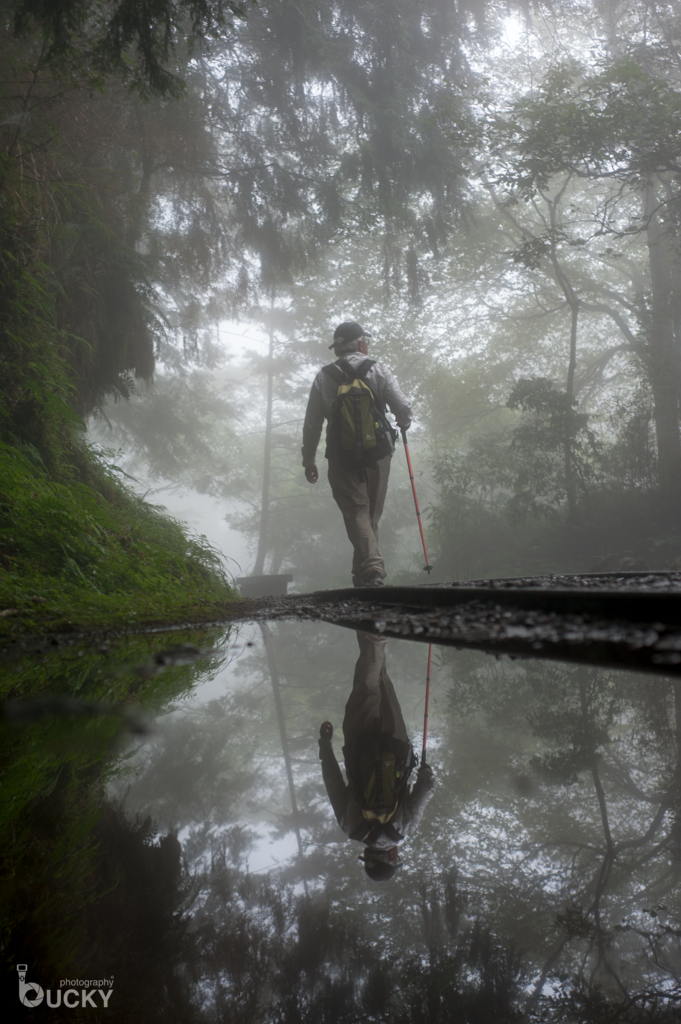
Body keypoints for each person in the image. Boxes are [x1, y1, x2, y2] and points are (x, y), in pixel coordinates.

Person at [301, 321, 412, 587]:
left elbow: (312, 423)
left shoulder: (323, 376)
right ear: (362, 343)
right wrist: (404, 421)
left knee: (356, 513)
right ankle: (370, 570)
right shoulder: (377, 368)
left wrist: (309, 460)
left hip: (341, 455)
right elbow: (401, 405)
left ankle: (366, 573)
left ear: (338, 348)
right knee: (370, 515)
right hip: (379, 453)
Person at [318, 630, 435, 882]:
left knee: (381, 683)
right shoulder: (351, 828)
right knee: (368, 683)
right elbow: (333, 783)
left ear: (391, 857)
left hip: (396, 745)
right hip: (358, 743)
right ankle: (372, 629)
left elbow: (426, 790)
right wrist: (325, 745)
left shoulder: (405, 830)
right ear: (368, 856)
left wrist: (425, 772)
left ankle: (373, 628)